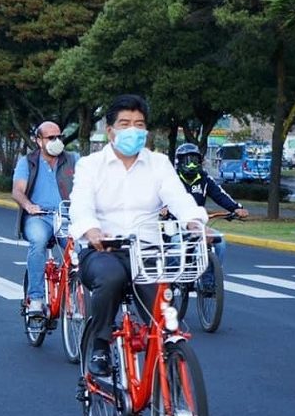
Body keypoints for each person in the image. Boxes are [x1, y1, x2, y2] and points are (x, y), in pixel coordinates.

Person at [69, 95, 208, 377]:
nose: (133, 130)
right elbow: (80, 203)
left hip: (147, 252)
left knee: (164, 319)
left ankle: (167, 379)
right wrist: (91, 230)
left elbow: (177, 197)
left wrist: (195, 222)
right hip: (103, 249)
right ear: (110, 131)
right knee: (111, 278)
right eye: (125, 123)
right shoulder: (90, 165)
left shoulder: (158, 163)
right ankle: (100, 344)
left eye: (139, 124)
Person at [11, 121, 78, 318]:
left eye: (59, 137)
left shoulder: (73, 160)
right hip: (39, 217)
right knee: (38, 241)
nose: (57, 141)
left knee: (78, 251)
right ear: (39, 140)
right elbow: (17, 191)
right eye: (51, 137)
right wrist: (28, 206)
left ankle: (75, 295)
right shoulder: (28, 162)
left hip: (67, 217)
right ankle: (36, 299)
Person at [170, 143, 249, 293]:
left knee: (220, 242)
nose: (191, 164)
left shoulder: (205, 179)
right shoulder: (171, 180)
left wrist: (236, 208)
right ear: (178, 162)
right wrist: (163, 209)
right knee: (175, 246)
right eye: (187, 160)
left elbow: (220, 195)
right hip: (173, 226)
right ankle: (175, 277)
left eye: (195, 160)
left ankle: (208, 281)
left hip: (197, 225)